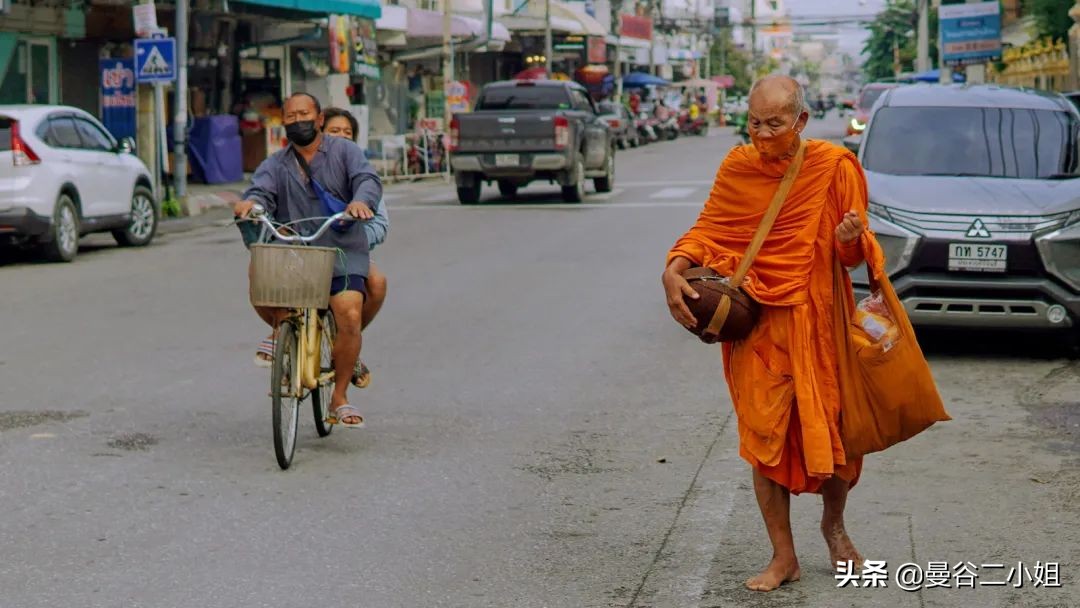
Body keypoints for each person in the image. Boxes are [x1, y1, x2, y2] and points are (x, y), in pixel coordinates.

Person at [661, 75, 871, 592]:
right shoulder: (737, 166)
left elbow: (854, 253)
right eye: (754, 122)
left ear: (800, 121)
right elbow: (709, 229)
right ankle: (783, 556)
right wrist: (674, 267)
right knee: (764, 436)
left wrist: (849, 241)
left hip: (819, 320)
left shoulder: (834, 166)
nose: (761, 134)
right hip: (757, 326)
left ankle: (835, 526)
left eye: (774, 123)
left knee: (837, 432)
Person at [234, 92, 382, 428]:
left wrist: (360, 202)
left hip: (342, 248)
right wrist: (250, 204)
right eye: (291, 115)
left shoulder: (345, 151)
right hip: (295, 250)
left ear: (318, 120)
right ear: (283, 122)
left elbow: (367, 180)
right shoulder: (275, 163)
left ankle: (340, 396)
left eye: (304, 114)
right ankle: (281, 330)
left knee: (349, 314)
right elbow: (260, 191)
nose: (298, 120)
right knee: (260, 277)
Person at [322, 107, 389, 387]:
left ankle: (348, 347)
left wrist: (351, 237)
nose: (341, 137)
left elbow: (380, 224)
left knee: (376, 283)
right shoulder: (296, 166)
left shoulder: (362, 174)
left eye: (347, 133)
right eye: (334, 131)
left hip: (348, 254)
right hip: (304, 254)